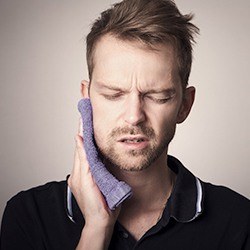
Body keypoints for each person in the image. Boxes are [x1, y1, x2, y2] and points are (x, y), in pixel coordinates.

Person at [1, 0, 249, 249]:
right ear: (86, 99)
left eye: (157, 97)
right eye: (113, 94)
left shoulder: (239, 220)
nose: (134, 116)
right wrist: (97, 228)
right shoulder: (29, 215)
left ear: (185, 105)